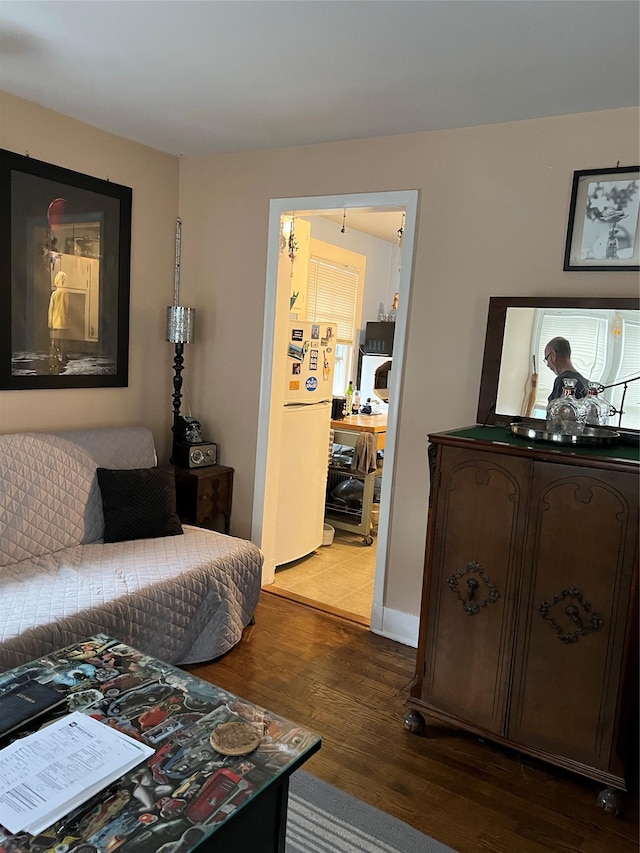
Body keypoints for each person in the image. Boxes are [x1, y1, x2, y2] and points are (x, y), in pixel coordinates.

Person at [544, 336, 588, 401]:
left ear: (553, 355)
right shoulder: (586, 383)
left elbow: (558, 410)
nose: (548, 365)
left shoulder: (564, 382)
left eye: (547, 359)